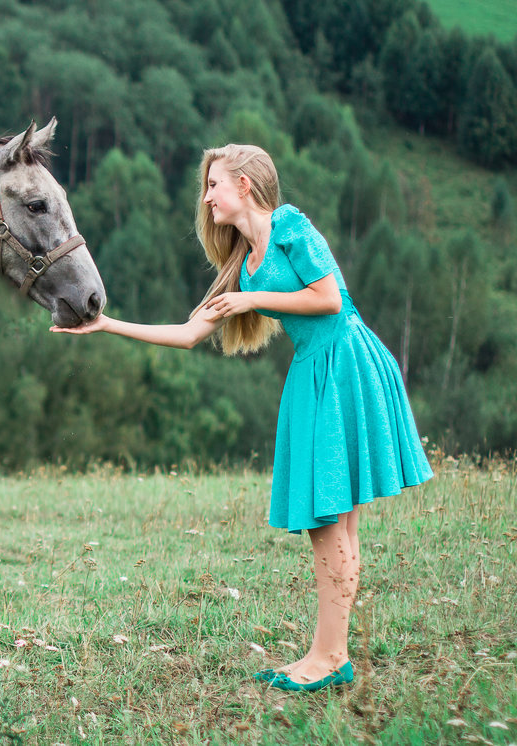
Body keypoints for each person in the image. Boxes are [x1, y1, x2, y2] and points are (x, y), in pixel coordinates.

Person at [52, 144, 433, 692]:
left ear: (244, 186)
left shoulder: (290, 228)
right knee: (333, 520)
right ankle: (334, 654)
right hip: (314, 372)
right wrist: (106, 325)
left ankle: (328, 658)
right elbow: (187, 335)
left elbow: (330, 298)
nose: (206, 197)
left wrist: (253, 304)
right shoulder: (242, 265)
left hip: (345, 362)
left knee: (330, 520)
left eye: (213, 185)